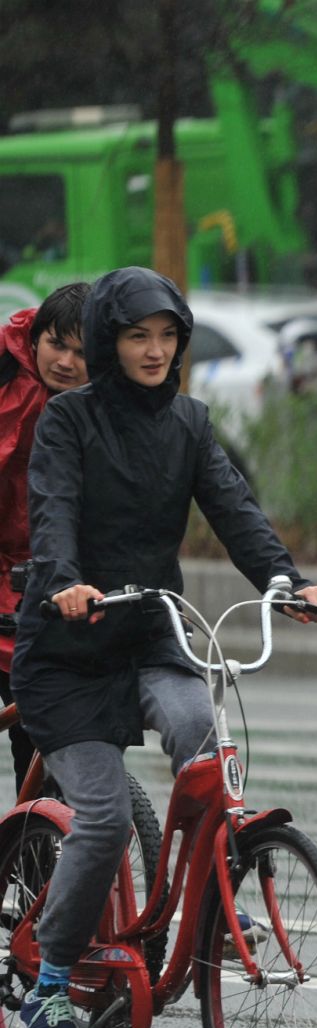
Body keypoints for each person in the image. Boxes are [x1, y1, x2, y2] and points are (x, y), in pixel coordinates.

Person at [12, 268, 317, 1028]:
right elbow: (51, 511)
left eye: (167, 336)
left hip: (154, 632)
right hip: (68, 651)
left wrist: (285, 580)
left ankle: (216, 897)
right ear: (107, 343)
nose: (154, 351)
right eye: (136, 336)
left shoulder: (189, 422)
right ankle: (51, 980)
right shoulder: (68, 422)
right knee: (106, 818)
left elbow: (234, 508)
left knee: (200, 728)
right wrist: (62, 583)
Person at [0, 281, 90, 790]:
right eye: (57, 344)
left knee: (36, 739)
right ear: (35, 338)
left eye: (81, 352)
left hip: (41, 582)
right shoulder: (5, 372)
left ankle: (32, 854)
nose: (66, 361)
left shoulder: (102, 407)